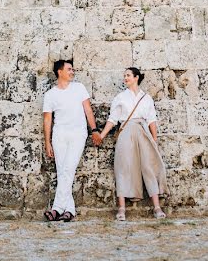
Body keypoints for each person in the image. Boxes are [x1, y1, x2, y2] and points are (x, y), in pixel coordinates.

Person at [96, 67, 168, 220]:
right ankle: (121, 209)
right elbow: (113, 119)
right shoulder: (120, 97)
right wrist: (101, 135)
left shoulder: (146, 98)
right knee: (123, 167)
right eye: (124, 76)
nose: (125, 78)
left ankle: (157, 207)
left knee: (149, 167)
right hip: (126, 131)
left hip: (143, 131)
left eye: (128, 75)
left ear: (136, 77)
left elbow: (151, 120)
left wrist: (154, 140)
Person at [42, 59, 102, 221]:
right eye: (69, 69)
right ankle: (69, 211)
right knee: (62, 172)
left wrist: (94, 130)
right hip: (59, 135)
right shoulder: (50, 94)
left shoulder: (79, 88)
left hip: (78, 133)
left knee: (68, 169)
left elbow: (88, 111)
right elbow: (47, 120)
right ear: (59, 72)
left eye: (72, 69)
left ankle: (56, 209)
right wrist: (47, 142)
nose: (72, 72)